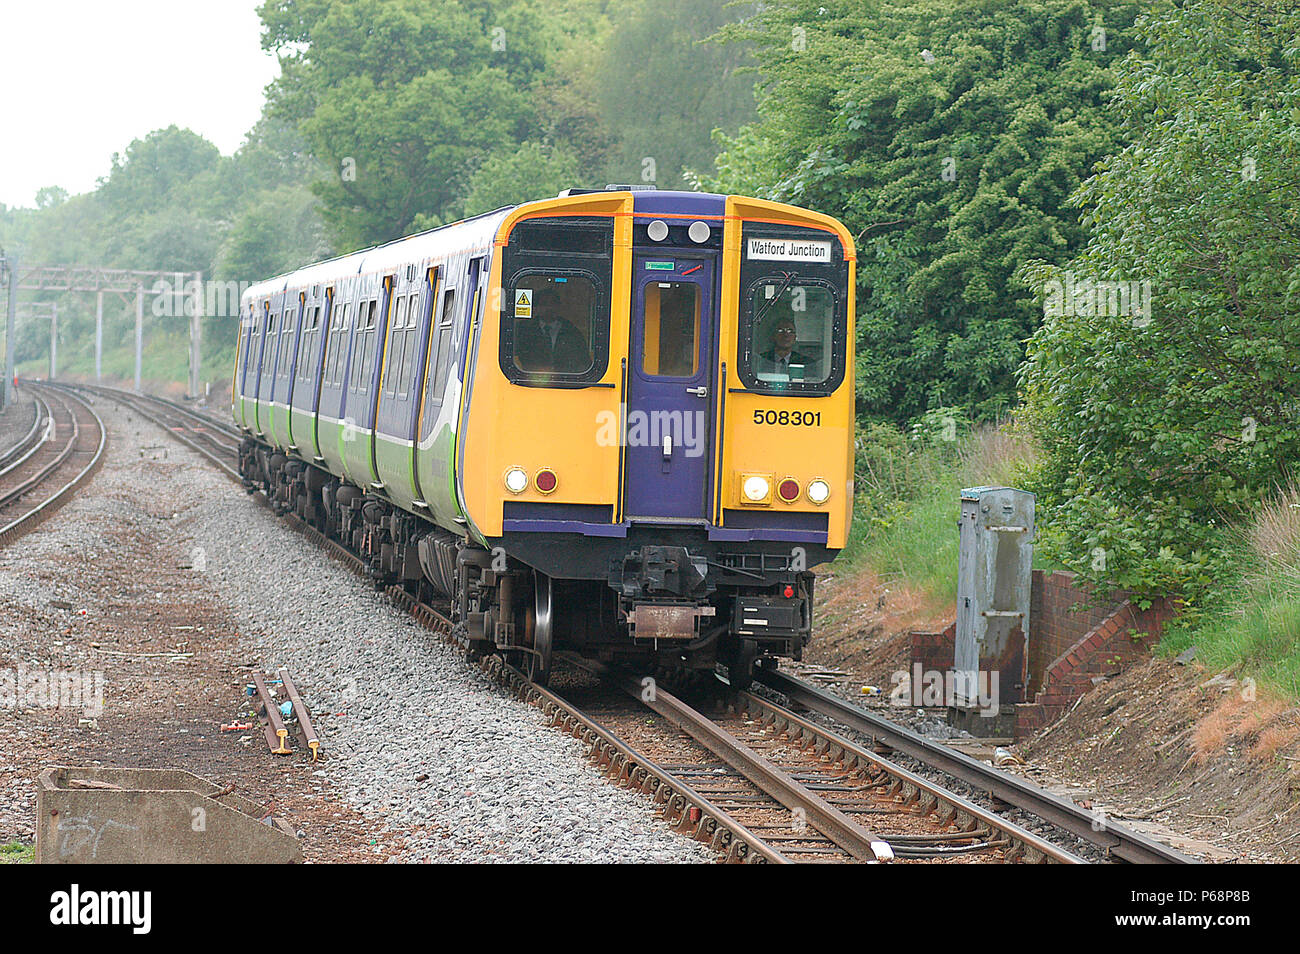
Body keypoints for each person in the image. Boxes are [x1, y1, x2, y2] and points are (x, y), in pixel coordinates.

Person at [514, 284, 591, 373]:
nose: (548, 308)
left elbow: (583, 362)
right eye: (544, 304)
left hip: (565, 380)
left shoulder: (571, 331)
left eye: (552, 304)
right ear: (536, 307)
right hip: (529, 380)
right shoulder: (524, 329)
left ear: (558, 307)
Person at [755, 317, 820, 380]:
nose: (785, 335)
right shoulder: (761, 360)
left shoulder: (807, 363)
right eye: (780, 330)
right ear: (773, 336)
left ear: (795, 338)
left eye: (790, 331)